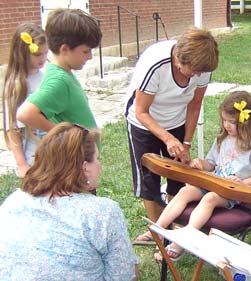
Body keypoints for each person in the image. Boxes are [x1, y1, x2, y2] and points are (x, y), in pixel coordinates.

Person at [0, 122, 139, 280]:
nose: (99, 165)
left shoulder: (13, 202)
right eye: (97, 159)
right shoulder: (102, 212)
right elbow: (123, 276)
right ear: (85, 167)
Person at [148, 91, 251, 261]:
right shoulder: (223, 139)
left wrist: (243, 183)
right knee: (185, 192)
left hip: (234, 192)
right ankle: (158, 230)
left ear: (246, 122)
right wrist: (200, 163)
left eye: (232, 122)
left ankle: (182, 243)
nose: (226, 125)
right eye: (224, 120)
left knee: (210, 198)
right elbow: (211, 164)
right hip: (213, 182)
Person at [125, 26, 219, 240]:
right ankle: (158, 233)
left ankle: (172, 227)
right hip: (144, 123)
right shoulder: (156, 65)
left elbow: (195, 105)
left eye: (201, 72)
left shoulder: (202, 67)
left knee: (177, 175)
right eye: (194, 70)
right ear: (179, 59)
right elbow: (141, 111)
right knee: (149, 180)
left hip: (177, 120)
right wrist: (167, 138)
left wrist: (185, 143)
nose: (198, 75)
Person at [16, 8, 102, 132]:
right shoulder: (59, 81)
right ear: (65, 49)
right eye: (85, 51)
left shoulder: (61, 73)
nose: (90, 57)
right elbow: (25, 113)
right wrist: (63, 136)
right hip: (77, 151)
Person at [2, 23, 48, 178]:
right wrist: (22, 165)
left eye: (45, 53)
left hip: (51, 147)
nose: (43, 58)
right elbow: (12, 128)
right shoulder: (16, 84)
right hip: (32, 154)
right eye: (38, 55)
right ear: (22, 53)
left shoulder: (46, 76)